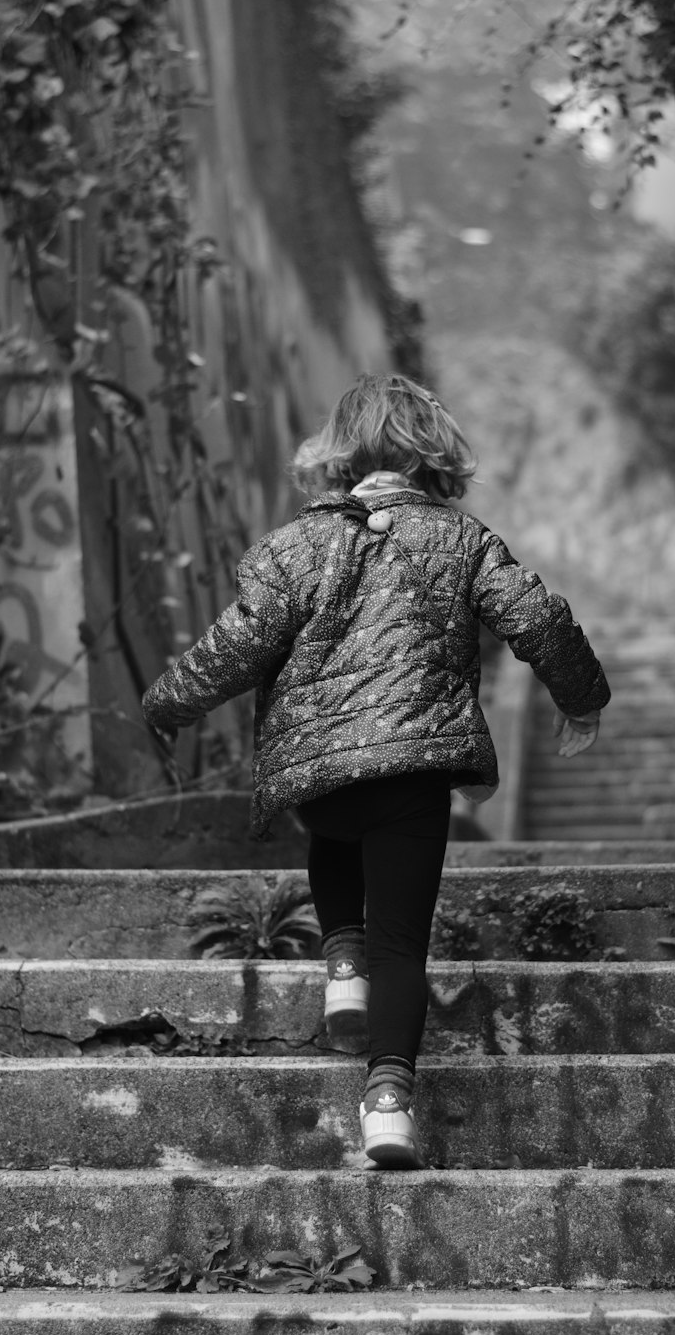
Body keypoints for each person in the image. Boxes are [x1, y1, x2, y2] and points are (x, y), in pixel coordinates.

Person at [142, 373, 610, 1169]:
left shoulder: (294, 547)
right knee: (405, 943)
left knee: (332, 833)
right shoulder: (464, 541)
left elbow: (236, 644)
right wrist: (581, 697)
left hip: (320, 784)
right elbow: (535, 616)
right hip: (415, 774)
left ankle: (340, 966)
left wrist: (167, 704)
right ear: (435, 452)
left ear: (340, 451)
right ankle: (389, 1101)